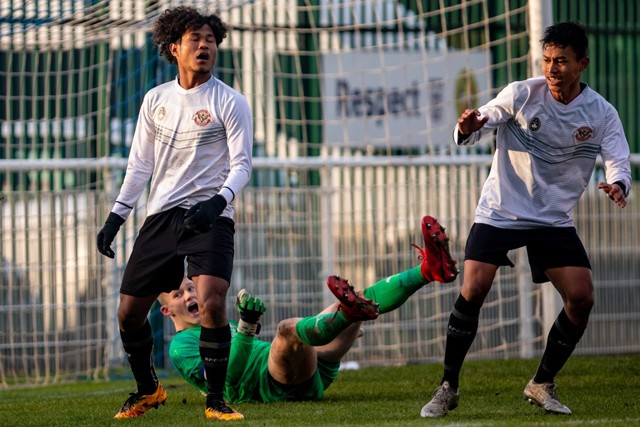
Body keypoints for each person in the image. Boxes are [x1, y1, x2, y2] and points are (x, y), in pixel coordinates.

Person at [420, 21, 631, 418]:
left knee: (582, 297)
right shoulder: (522, 93)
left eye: (562, 61)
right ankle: (448, 387)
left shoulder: (602, 113)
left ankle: (541, 382)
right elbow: (482, 119)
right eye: (547, 60)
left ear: (582, 64)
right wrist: (467, 127)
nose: (552, 69)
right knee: (474, 287)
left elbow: (618, 158)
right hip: (502, 208)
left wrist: (618, 183)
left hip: (552, 218)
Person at [96, 6, 253, 421]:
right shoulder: (155, 100)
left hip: (211, 216)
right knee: (128, 313)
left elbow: (242, 165)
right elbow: (139, 167)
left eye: (210, 40)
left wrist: (218, 203)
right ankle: (148, 390)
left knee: (212, 302)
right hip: (162, 216)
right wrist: (115, 218)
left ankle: (216, 401)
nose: (204, 46)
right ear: (174, 48)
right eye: (194, 39)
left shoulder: (231, 101)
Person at [158, 216, 458, 403]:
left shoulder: (215, 325)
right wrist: (247, 328)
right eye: (177, 294)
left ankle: (428, 271)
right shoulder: (181, 346)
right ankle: (347, 315)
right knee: (287, 331)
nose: (189, 295)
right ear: (167, 311)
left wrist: (244, 329)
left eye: (190, 287)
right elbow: (227, 379)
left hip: (307, 368)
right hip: (272, 384)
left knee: (359, 297)